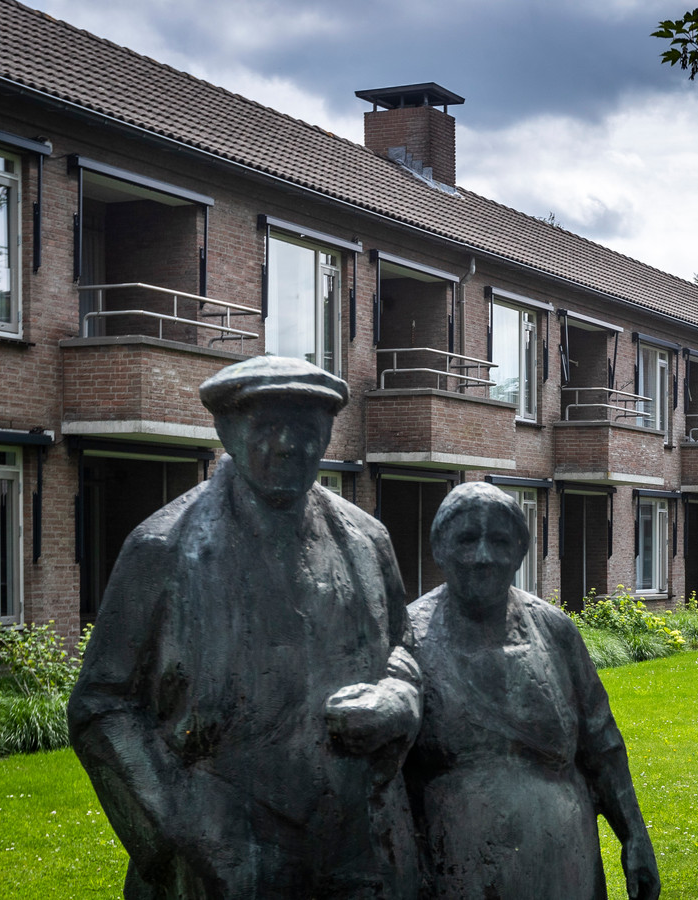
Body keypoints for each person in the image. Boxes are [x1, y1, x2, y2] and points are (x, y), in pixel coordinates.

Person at [68, 356, 421, 899]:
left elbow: (403, 650)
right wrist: (181, 826)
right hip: (219, 850)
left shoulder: (367, 541)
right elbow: (100, 707)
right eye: (266, 427)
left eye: (306, 430)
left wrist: (401, 698)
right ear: (226, 431)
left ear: (327, 433)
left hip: (359, 840)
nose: (288, 445)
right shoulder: (162, 548)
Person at [405, 482, 660, 900]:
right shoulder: (407, 637)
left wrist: (633, 834)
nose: (484, 556)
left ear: (520, 553)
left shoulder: (553, 629)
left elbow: (602, 741)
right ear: (439, 547)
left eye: (500, 541)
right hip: (457, 875)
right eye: (467, 539)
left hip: (566, 868)